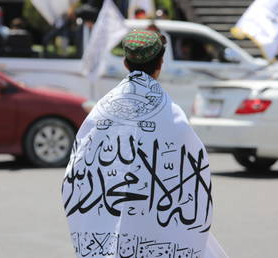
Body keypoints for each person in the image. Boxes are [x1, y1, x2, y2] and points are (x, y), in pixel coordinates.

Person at [62, 29, 214, 257]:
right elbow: (194, 178)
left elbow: (75, 174)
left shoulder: (100, 112)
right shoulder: (172, 116)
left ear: (125, 63)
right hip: (156, 231)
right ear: (160, 63)